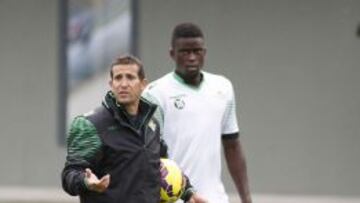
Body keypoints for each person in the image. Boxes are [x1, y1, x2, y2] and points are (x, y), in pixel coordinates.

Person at [62, 55, 207, 203]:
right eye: (118, 78)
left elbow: (161, 166)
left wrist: (188, 192)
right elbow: (70, 174)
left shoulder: (152, 124)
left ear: (143, 84)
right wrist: (86, 182)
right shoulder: (90, 124)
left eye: (130, 77)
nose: (123, 84)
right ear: (111, 84)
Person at [143, 23, 252, 203]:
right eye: (185, 52)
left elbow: (232, 145)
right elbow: (148, 154)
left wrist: (246, 199)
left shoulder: (223, 87)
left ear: (205, 52)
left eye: (197, 51)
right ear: (172, 54)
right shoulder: (155, 93)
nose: (192, 57)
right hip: (175, 199)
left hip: (215, 198)